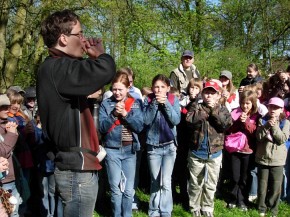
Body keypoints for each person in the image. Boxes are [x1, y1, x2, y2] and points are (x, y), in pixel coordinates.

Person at [37, 9, 116, 217]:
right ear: (63, 38)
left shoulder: (57, 67)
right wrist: (101, 54)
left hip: (75, 168)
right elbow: (104, 70)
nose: (83, 39)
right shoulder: (57, 67)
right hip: (75, 171)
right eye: (79, 34)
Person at [99, 71, 144, 217]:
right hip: (112, 150)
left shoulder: (135, 104)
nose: (117, 92)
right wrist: (113, 115)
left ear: (127, 88)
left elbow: (139, 126)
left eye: (120, 89)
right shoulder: (106, 104)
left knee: (129, 189)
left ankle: (127, 214)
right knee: (116, 189)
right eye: (114, 89)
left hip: (129, 150)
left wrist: (125, 114)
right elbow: (101, 127)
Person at [186, 80, 232, 217]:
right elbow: (189, 121)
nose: (209, 96)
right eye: (207, 92)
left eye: (212, 93)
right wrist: (205, 112)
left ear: (218, 95)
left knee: (211, 184)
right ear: (202, 94)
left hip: (215, 152)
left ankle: (207, 207)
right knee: (195, 183)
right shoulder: (195, 106)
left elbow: (227, 124)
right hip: (196, 151)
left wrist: (214, 110)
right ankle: (194, 206)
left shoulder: (222, 108)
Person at [143, 74, 181, 217]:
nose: (159, 90)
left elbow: (176, 120)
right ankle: (153, 211)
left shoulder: (173, 99)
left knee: (165, 181)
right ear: (152, 88)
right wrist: (154, 104)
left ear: (168, 88)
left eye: (162, 87)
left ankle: (165, 212)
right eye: (156, 87)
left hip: (169, 146)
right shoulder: (148, 100)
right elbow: (146, 120)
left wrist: (166, 104)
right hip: (153, 147)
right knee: (155, 180)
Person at [226, 90, 260, 211]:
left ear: (253, 103)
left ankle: (242, 200)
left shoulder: (256, 115)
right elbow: (229, 128)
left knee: (244, 178)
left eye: (248, 103)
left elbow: (254, 132)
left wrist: (245, 122)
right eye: (243, 103)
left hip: (248, 151)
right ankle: (232, 198)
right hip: (235, 149)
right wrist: (237, 121)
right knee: (235, 176)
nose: (245, 106)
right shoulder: (235, 112)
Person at [256, 97, 289, 217]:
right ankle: (261, 208)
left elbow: (282, 139)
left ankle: (273, 209)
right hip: (263, 158)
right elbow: (258, 137)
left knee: (276, 187)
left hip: (278, 160)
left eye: (276, 108)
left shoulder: (286, 122)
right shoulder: (262, 120)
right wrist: (266, 126)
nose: (273, 110)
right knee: (262, 186)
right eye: (271, 107)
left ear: (281, 109)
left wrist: (274, 126)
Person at [0, 94, 20, 217]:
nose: (8, 109)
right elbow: (2, 153)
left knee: (14, 211)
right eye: (3, 107)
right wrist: (11, 134)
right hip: (3, 180)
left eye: (8, 106)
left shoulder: (9, 123)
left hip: (12, 176)